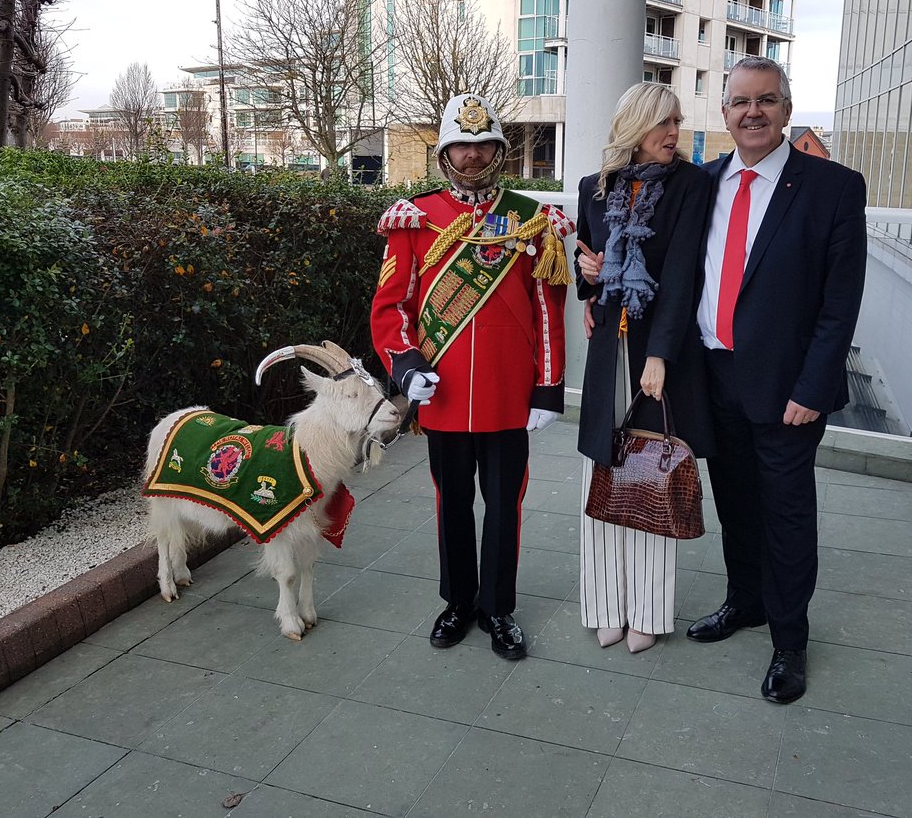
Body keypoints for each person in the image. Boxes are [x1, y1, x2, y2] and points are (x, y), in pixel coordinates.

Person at [686, 56, 867, 703]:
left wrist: (813, 389)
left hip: (788, 390)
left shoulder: (832, 188)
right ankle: (745, 603)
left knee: (786, 516)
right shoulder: (700, 184)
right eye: (740, 101)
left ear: (787, 110)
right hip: (713, 376)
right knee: (734, 502)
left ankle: (789, 640)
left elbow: (839, 303)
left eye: (766, 100)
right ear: (725, 112)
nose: (752, 112)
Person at [370, 92, 573, 660]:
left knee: (505, 505)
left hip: (511, 398)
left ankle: (498, 608)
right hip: (446, 394)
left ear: (500, 151)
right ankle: (459, 600)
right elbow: (392, 309)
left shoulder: (530, 219)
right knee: (451, 502)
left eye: (485, 145)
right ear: (444, 152)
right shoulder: (416, 218)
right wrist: (405, 366)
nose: (474, 156)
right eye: (463, 145)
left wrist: (548, 387)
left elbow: (546, 311)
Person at [574, 82, 715, 654]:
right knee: (603, 476)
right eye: (663, 123)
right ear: (634, 126)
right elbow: (587, 266)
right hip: (610, 345)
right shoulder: (592, 187)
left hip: (658, 350)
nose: (673, 133)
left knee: (650, 476)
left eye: (677, 122)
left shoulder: (690, 185)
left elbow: (681, 276)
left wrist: (659, 355)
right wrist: (589, 277)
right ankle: (605, 603)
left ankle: (649, 613)